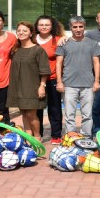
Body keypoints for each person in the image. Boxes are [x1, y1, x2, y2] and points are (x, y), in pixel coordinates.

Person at [55, 16, 100, 137]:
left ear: (84, 28)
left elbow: (96, 63)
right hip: (69, 84)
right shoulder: (64, 43)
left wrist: (96, 81)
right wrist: (59, 82)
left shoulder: (92, 43)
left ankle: (86, 137)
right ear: (71, 28)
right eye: (75, 27)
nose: (78, 29)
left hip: (88, 84)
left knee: (87, 114)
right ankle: (71, 136)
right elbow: (59, 63)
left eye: (81, 26)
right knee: (69, 114)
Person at [7, 21, 51, 141]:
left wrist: (42, 86)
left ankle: (37, 137)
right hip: (18, 87)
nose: (21, 33)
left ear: (31, 33)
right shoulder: (15, 50)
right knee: (24, 114)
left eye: (25, 31)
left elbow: (44, 70)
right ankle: (28, 136)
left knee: (31, 114)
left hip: (32, 87)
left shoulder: (38, 50)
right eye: (19, 30)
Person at [35, 15, 66, 144]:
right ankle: (38, 134)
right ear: (37, 26)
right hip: (34, 79)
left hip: (52, 78)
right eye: (41, 25)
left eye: (47, 25)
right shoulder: (31, 39)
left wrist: (65, 37)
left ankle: (56, 135)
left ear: (52, 26)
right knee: (36, 108)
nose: (44, 27)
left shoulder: (58, 40)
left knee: (54, 108)